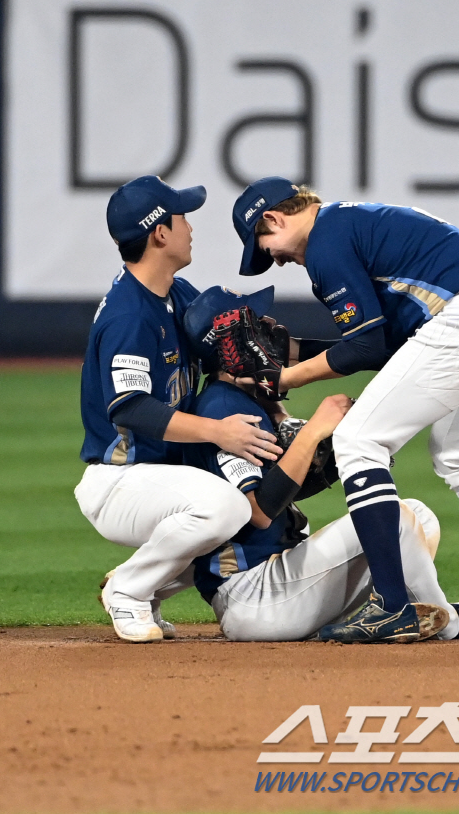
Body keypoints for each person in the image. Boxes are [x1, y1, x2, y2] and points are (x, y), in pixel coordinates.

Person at [230, 177, 459, 643]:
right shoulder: (352, 222)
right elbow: (387, 346)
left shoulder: (325, 239)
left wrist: (282, 379)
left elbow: (364, 346)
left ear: (273, 218)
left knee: (356, 440)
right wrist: (297, 351)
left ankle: (391, 606)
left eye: (266, 247)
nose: (276, 260)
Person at [179, 286, 459, 642]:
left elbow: (280, 489)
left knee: (419, 516)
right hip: (254, 594)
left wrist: (336, 451)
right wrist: (312, 435)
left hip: (281, 585)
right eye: (255, 323)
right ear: (230, 345)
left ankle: (418, 611)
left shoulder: (249, 400)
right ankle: (446, 622)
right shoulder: (222, 409)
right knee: (397, 516)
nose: (270, 326)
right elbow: (258, 511)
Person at [75, 176, 282, 643]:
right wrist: (218, 431)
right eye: (182, 216)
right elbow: (130, 408)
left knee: (256, 509)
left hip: (165, 476)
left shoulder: (176, 294)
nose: (191, 226)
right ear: (160, 234)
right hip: (120, 480)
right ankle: (129, 589)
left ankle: (144, 587)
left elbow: (232, 354)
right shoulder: (130, 315)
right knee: (224, 506)